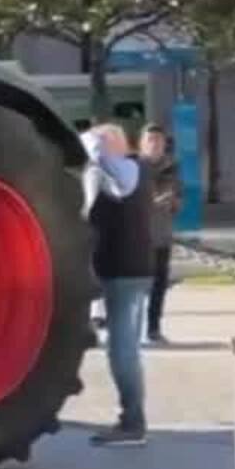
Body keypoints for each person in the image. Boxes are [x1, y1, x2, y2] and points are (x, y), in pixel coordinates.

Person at [81, 123, 153, 446]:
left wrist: (93, 147)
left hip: (123, 270)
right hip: (130, 269)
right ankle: (133, 417)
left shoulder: (122, 172)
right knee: (127, 349)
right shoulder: (131, 171)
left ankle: (132, 421)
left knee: (121, 350)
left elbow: (116, 185)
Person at [138, 124, 182, 344]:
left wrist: (173, 202)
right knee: (137, 285)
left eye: (158, 140)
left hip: (162, 235)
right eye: (150, 140)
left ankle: (154, 328)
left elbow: (179, 200)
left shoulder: (172, 168)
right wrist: (153, 202)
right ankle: (133, 330)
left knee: (158, 286)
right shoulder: (134, 168)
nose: (155, 144)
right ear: (142, 144)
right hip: (138, 237)